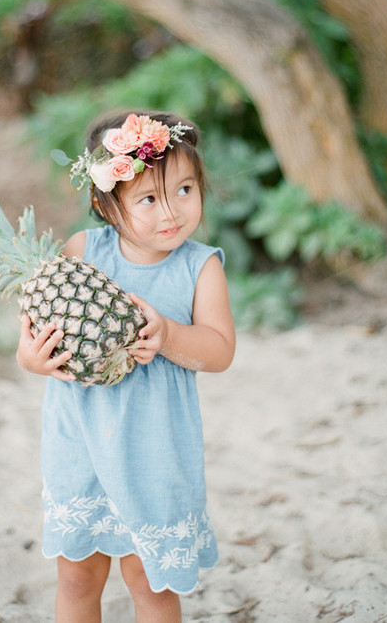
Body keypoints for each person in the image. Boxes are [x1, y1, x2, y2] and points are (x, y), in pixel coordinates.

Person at [16, 110, 236, 623]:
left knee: (151, 584)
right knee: (76, 576)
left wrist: (169, 336)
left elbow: (221, 350)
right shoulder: (81, 253)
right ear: (105, 205)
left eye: (184, 189)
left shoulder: (199, 266)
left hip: (156, 452)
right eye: (148, 198)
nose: (172, 212)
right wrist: (31, 359)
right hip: (80, 446)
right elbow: (32, 338)